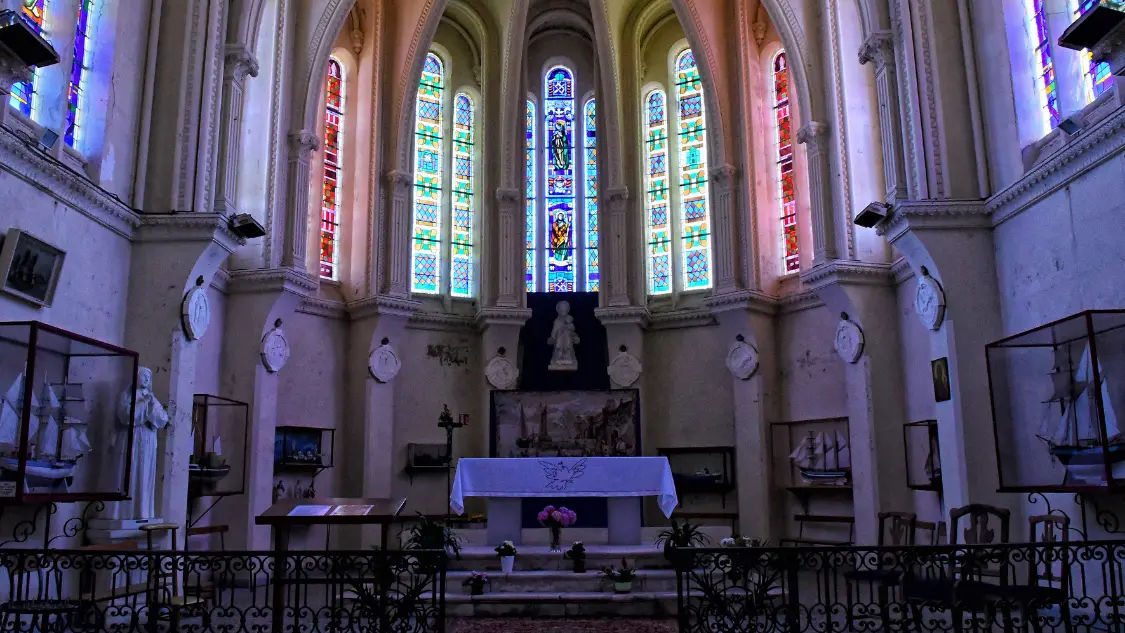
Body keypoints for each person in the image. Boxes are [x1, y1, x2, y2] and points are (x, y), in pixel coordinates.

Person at [115, 367, 170, 520]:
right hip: (132, 437)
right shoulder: (127, 395)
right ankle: (125, 512)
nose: (146, 379)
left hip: (148, 441)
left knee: (144, 474)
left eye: (148, 377)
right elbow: (124, 415)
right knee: (131, 471)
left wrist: (150, 407)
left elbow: (162, 418)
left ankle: (142, 511)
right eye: (143, 376)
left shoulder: (151, 397)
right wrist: (144, 407)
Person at [548, 301, 579, 371]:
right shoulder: (557, 321)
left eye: (564, 308)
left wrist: (573, 335)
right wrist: (552, 338)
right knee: (561, 332)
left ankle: (566, 355)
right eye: (561, 308)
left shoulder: (569, 320)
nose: (563, 310)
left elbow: (572, 329)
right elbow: (554, 333)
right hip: (558, 342)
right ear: (558, 310)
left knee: (566, 332)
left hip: (568, 341)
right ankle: (559, 355)